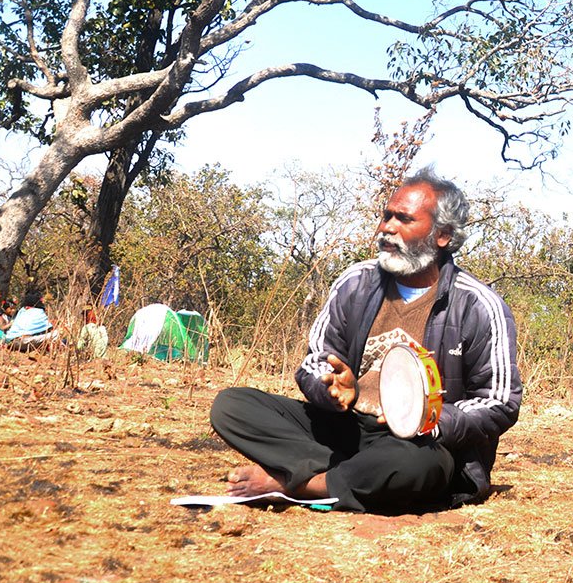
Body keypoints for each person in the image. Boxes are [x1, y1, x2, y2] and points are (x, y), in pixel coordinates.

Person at [210, 167, 522, 512]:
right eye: (386, 216)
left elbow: (499, 402)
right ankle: (344, 477)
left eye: (403, 219)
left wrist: (428, 419)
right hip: (347, 429)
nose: (387, 228)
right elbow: (316, 360)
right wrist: (329, 389)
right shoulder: (355, 282)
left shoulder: (478, 304)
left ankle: (298, 484)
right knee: (232, 405)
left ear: (443, 235)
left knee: (416, 466)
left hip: (419, 443)